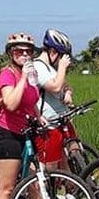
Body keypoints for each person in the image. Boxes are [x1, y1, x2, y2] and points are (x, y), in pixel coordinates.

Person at [0, 33, 57, 199]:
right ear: (11, 53)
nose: (25, 55)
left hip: (27, 132)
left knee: (34, 184)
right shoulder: (7, 75)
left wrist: (38, 116)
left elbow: (30, 101)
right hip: (7, 133)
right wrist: (21, 79)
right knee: (7, 188)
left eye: (29, 51)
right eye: (20, 51)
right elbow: (10, 103)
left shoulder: (31, 74)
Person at [32, 28, 74, 169]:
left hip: (61, 120)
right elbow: (55, 87)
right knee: (50, 166)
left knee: (72, 152)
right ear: (53, 52)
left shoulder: (51, 68)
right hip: (47, 125)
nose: (63, 61)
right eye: (62, 56)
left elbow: (65, 85)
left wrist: (68, 93)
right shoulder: (38, 67)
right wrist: (62, 67)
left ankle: (72, 185)